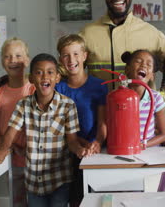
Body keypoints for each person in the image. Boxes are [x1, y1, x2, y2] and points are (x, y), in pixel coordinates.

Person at [0, 53, 92, 207]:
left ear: (57, 77)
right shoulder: (23, 105)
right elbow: (11, 132)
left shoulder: (68, 105)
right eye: (39, 72)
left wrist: (79, 150)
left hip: (60, 179)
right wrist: (1, 151)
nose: (44, 77)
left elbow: (72, 141)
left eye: (50, 72)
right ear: (31, 79)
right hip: (34, 181)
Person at [78, 0, 165, 87]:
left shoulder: (151, 33)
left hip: (140, 105)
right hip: (99, 104)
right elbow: (65, 71)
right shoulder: (87, 34)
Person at [55, 34, 108, 207]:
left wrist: (98, 142)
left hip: (94, 151)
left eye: (76, 54)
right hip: (68, 152)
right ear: (60, 59)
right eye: (66, 55)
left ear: (84, 56)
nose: (71, 59)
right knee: (76, 198)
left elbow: (102, 122)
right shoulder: (58, 89)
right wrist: (80, 145)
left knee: (96, 197)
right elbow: (59, 126)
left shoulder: (99, 85)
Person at [0, 37, 35, 207]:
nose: (13, 60)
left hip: (33, 159)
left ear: (27, 60)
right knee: (17, 201)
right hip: (10, 159)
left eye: (18, 55)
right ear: (2, 61)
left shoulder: (33, 89)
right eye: (8, 56)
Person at [121, 50, 165, 147]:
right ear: (127, 69)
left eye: (149, 64)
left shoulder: (156, 98)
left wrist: (143, 145)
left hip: (149, 151)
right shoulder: (117, 97)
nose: (144, 66)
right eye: (138, 61)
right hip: (124, 148)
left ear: (152, 76)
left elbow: (163, 135)